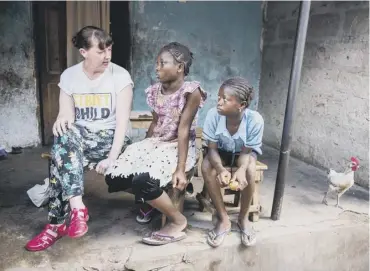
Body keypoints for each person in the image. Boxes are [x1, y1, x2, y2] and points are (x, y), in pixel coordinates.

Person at [25, 26, 134, 251]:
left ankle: (55, 226)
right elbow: (66, 115)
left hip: (111, 139)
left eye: (109, 50)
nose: (108, 56)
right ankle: (76, 208)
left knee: (59, 158)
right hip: (80, 139)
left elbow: (123, 122)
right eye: (101, 51)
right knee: (63, 135)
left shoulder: (120, 76)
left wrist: (112, 157)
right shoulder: (70, 76)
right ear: (84, 52)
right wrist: (61, 120)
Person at [105, 42, 207, 246]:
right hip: (156, 143)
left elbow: (184, 130)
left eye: (163, 63)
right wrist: (142, 151)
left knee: (143, 181)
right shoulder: (153, 91)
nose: (157, 67)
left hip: (176, 146)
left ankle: (178, 221)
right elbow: (155, 122)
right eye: (156, 63)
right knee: (113, 178)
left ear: (180, 67)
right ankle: (153, 200)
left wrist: (180, 169)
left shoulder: (191, 91)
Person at [201, 77, 264, 248]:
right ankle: (224, 219)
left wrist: (242, 168)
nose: (219, 102)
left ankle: (243, 219)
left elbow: (247, 152)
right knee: (207, 165)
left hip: (243, 154)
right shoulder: (213, 115)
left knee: (250, 168)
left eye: (225, 99)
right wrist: (221, 169)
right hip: (220, 152)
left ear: (241, 105)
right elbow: (212, 149)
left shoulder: (254, 120)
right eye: (219, 97)